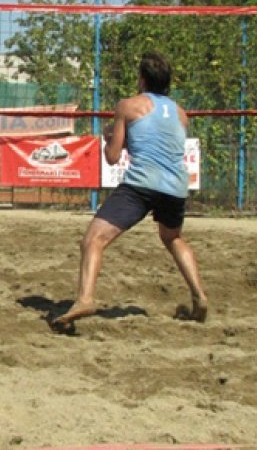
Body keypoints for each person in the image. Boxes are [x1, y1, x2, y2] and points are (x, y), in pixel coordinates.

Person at [51, 51, 208, 333]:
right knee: (173, 238)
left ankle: (85, 298)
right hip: (176, 187)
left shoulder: (128, 106)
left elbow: (112, 157)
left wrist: (109, 138)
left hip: (142, 183)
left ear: (143, 79)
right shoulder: (181, 114)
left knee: (93, 240)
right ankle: (199, 295)